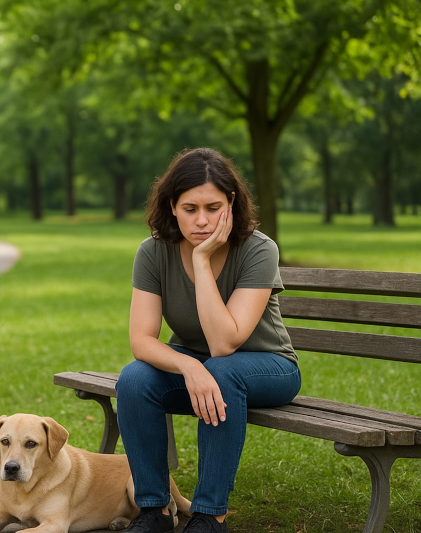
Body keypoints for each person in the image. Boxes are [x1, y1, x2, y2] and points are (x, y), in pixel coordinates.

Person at [115, 148, 301, 533]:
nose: (202, 220)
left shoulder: (258, 249)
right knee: (134, 378)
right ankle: (154, 511)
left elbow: (223, 344)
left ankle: (210, 516)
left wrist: (201, 261)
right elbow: (141, 340)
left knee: (222, 369)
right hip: (200, 368)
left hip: (269, 367)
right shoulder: (153, 252)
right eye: (189, 209)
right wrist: (188, 365)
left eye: (213, 208)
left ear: (231, 203)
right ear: (172, 206)